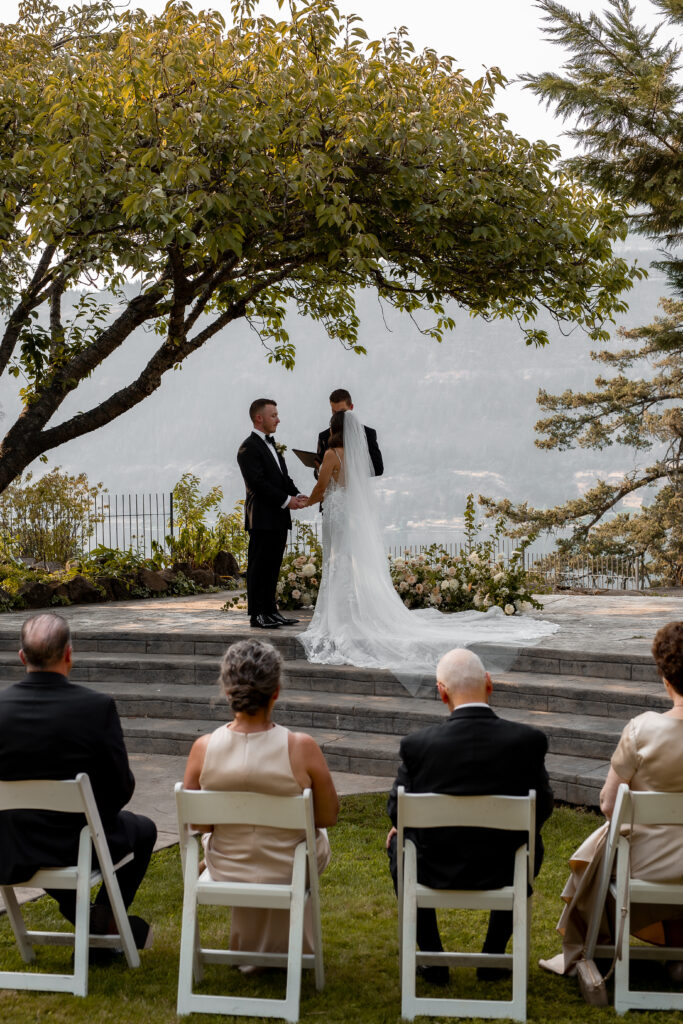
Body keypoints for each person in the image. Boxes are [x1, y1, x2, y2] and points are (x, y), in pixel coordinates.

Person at [299, 408, 559, 684]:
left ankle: (340, 618)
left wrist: (306, 501)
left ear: (333, 429)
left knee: (338, 562)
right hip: (350, 513)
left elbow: (321, 487)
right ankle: (353, 614)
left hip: (337, 514)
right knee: (350, 563)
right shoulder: (356, 455)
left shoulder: (331, 454)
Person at [386, 648, 553, 985]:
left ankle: (432, 958)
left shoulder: (418, 745)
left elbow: (396, 810)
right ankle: (492, 956)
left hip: (432, 869)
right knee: (530, 843)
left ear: (441, 691)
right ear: (489, 684)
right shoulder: (527, 741)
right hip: (506, 868)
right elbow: (543, 807)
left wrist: (399, 827)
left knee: (398, 843)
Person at [0, 613, 156, 951]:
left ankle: (93, 921)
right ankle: (102, 926)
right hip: (75, 844)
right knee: (143, 830)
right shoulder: (96, 708)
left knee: (76, 834)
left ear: (22, 657)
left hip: (11, 846)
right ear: (69, 654)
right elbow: (120, 789)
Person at [540, 620, 683, 979]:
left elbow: (608, 804)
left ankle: (590, 951)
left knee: (604, 848)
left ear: (665, 678)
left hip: (644, 864)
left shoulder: (642, 730)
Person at [183, 638, 339, 961]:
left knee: (230, 836)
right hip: (288, 868)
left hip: (227, 866)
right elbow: (327, 816)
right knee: (314, 838)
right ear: (276, 691)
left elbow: (198, 822)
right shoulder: (301, 747)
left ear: (227, 691)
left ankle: (253, 949)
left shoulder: (203, 749)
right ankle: (284, 951)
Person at [237, 398, 308, 629]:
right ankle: (257, 614)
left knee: (273, 566)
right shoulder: (248, 448)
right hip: (262, 517)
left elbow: (282, 479)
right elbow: (257, 483)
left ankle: (271, 611)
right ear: (259, 418)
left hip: (277, 516)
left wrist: (296, 496)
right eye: (273, 415)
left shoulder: (273, 445)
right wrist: (287, 501)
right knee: (258, 567)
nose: (278, 419)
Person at [315, 388, 383, 477]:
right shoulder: (323, 436)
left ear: (351, 408)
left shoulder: (368, 433)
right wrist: (320, 470)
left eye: (342, 412)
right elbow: (316, 472)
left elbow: (378, 469)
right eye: (334, 412)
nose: (337, 416)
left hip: (357, 490)